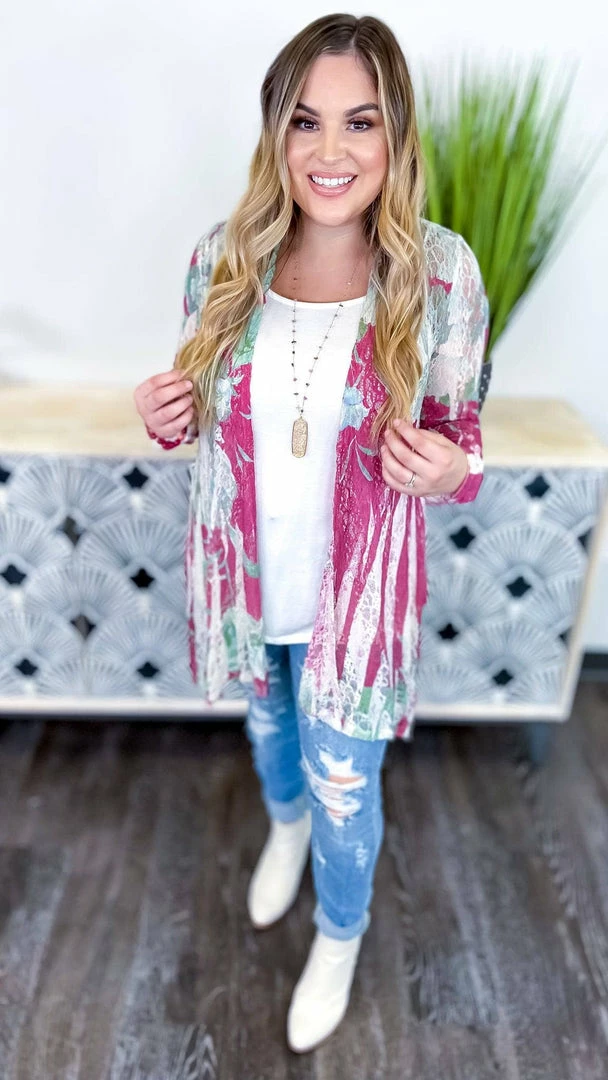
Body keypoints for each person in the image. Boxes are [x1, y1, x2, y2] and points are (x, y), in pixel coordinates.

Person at [133, 12, 489, 1054]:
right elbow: (201, 413)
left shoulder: (440, 275)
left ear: (395, 135)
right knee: (269, 735)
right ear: (275, 132)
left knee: (345, 785)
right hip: (247, 579)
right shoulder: (222, 257)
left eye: (359, 122)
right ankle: (280, 827)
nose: (330, 150)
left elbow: (463, 441)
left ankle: (340, 933)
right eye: (305, 121)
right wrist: (170, 415)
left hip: (355, 602)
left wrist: (449, 467)